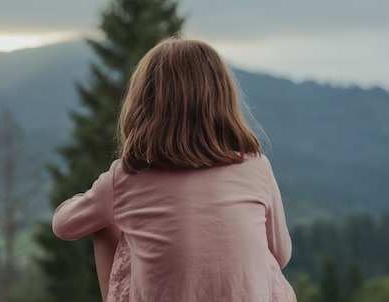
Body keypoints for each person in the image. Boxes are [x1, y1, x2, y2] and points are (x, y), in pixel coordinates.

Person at [52, 38, 295, 302]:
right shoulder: (256, 167)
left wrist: (105, 199)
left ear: (144, 106)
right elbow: (280, 255)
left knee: (105, 225)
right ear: (222, 101)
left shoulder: (126, 178)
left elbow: (63, 225)